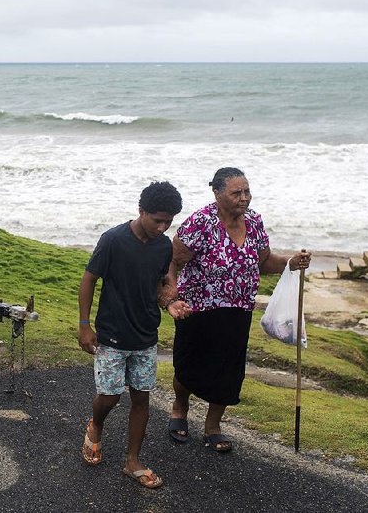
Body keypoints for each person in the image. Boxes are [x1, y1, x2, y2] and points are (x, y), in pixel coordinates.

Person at [165, 167, 311, 452]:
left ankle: (213, 426)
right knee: (189, 364)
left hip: (238, 309)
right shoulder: (200, 222)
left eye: (247, 191)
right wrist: (171, 294)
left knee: (228, 370)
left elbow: (264, 261)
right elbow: (172, 261)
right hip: (198, 309)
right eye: (236, 193)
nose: (244, 198)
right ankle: (179, 409)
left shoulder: (254, 221)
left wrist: (291, 263)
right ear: (217, 193)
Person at [78, 181, 189, 490]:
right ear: (142, 211)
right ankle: (96, 424)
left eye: (169, 221)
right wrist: (85, 325)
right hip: (112, 335)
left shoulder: (163, 245)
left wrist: (169, 303)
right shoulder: (113, 240)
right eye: (158, 220)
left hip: (145, 335)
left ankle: (132, 461)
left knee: (142, 399)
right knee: (110, 396)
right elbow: (89, 281)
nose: (163, 226)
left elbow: (157, 285)